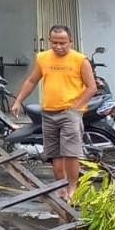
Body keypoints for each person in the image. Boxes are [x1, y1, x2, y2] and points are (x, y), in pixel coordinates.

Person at [16, 24, 95, 200]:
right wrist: (18, 100)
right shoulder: (43, 58)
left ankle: (73, 188)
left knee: (70, 153)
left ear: (71, 41)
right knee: (54, 154)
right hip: (49, 112)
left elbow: (91, 88)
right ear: (49, 41)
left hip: (70, 113)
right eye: (55, 43)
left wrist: (76, 107)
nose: (59, 47)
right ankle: (62, 187)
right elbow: (31, 81)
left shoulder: (80, 60)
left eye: (63, 43)